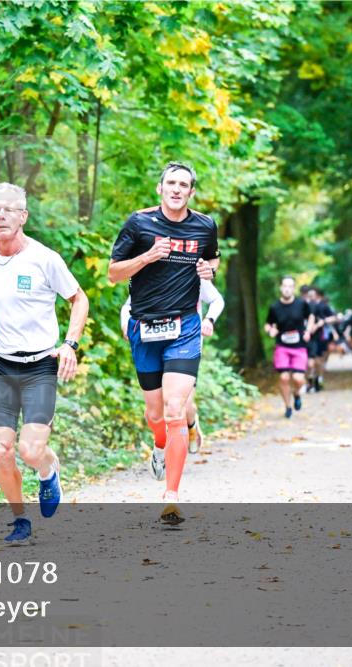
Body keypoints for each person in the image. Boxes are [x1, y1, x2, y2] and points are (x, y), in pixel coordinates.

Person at [0, 182, 89, 543]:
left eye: (10, 209)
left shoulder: (44, 258)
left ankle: (48, 470)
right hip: (0, 365)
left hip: (40, 365)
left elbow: (79, 299)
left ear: (23, 216)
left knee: (30, 450)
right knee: (2, 449)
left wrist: (70, 344)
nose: (1, 214)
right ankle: (19, 520)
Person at [108, 161, 220, 524]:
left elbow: (212, 259)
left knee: (174, 410)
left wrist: (210, 270)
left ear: (191, 192)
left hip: (185, 327)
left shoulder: (204, 226)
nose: (176, 189)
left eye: (183, 184)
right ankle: (159, 445)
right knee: (155, 416)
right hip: (146, 329)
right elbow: (113, 274)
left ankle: (171, 496)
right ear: (160, 189)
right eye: (170, 183)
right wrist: (147, 257)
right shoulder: (138, 223)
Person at [120, 278, 223, 456]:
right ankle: (164, 446)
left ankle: (190, 427)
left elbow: (216, 299)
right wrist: (125, 325)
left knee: (184, 404)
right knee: (157, 409)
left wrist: (209, 320)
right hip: (151, 344)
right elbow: (129, 305)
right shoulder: (150, 269)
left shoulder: (190, 268)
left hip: (185, 344)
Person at [264, 276, 315, 418]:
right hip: (282, 346)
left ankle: (297, 394)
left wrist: (308, 330)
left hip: (299, 346)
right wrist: (270, 330)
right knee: (284, 378)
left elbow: (311, 317)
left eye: (290, 286)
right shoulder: (275, 307)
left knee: (298, 379)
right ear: (281, 288)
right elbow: (268, 323)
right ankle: (288, 407)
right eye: (284, 286)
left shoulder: (302, 304)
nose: (287, 289)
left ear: (293, 288)